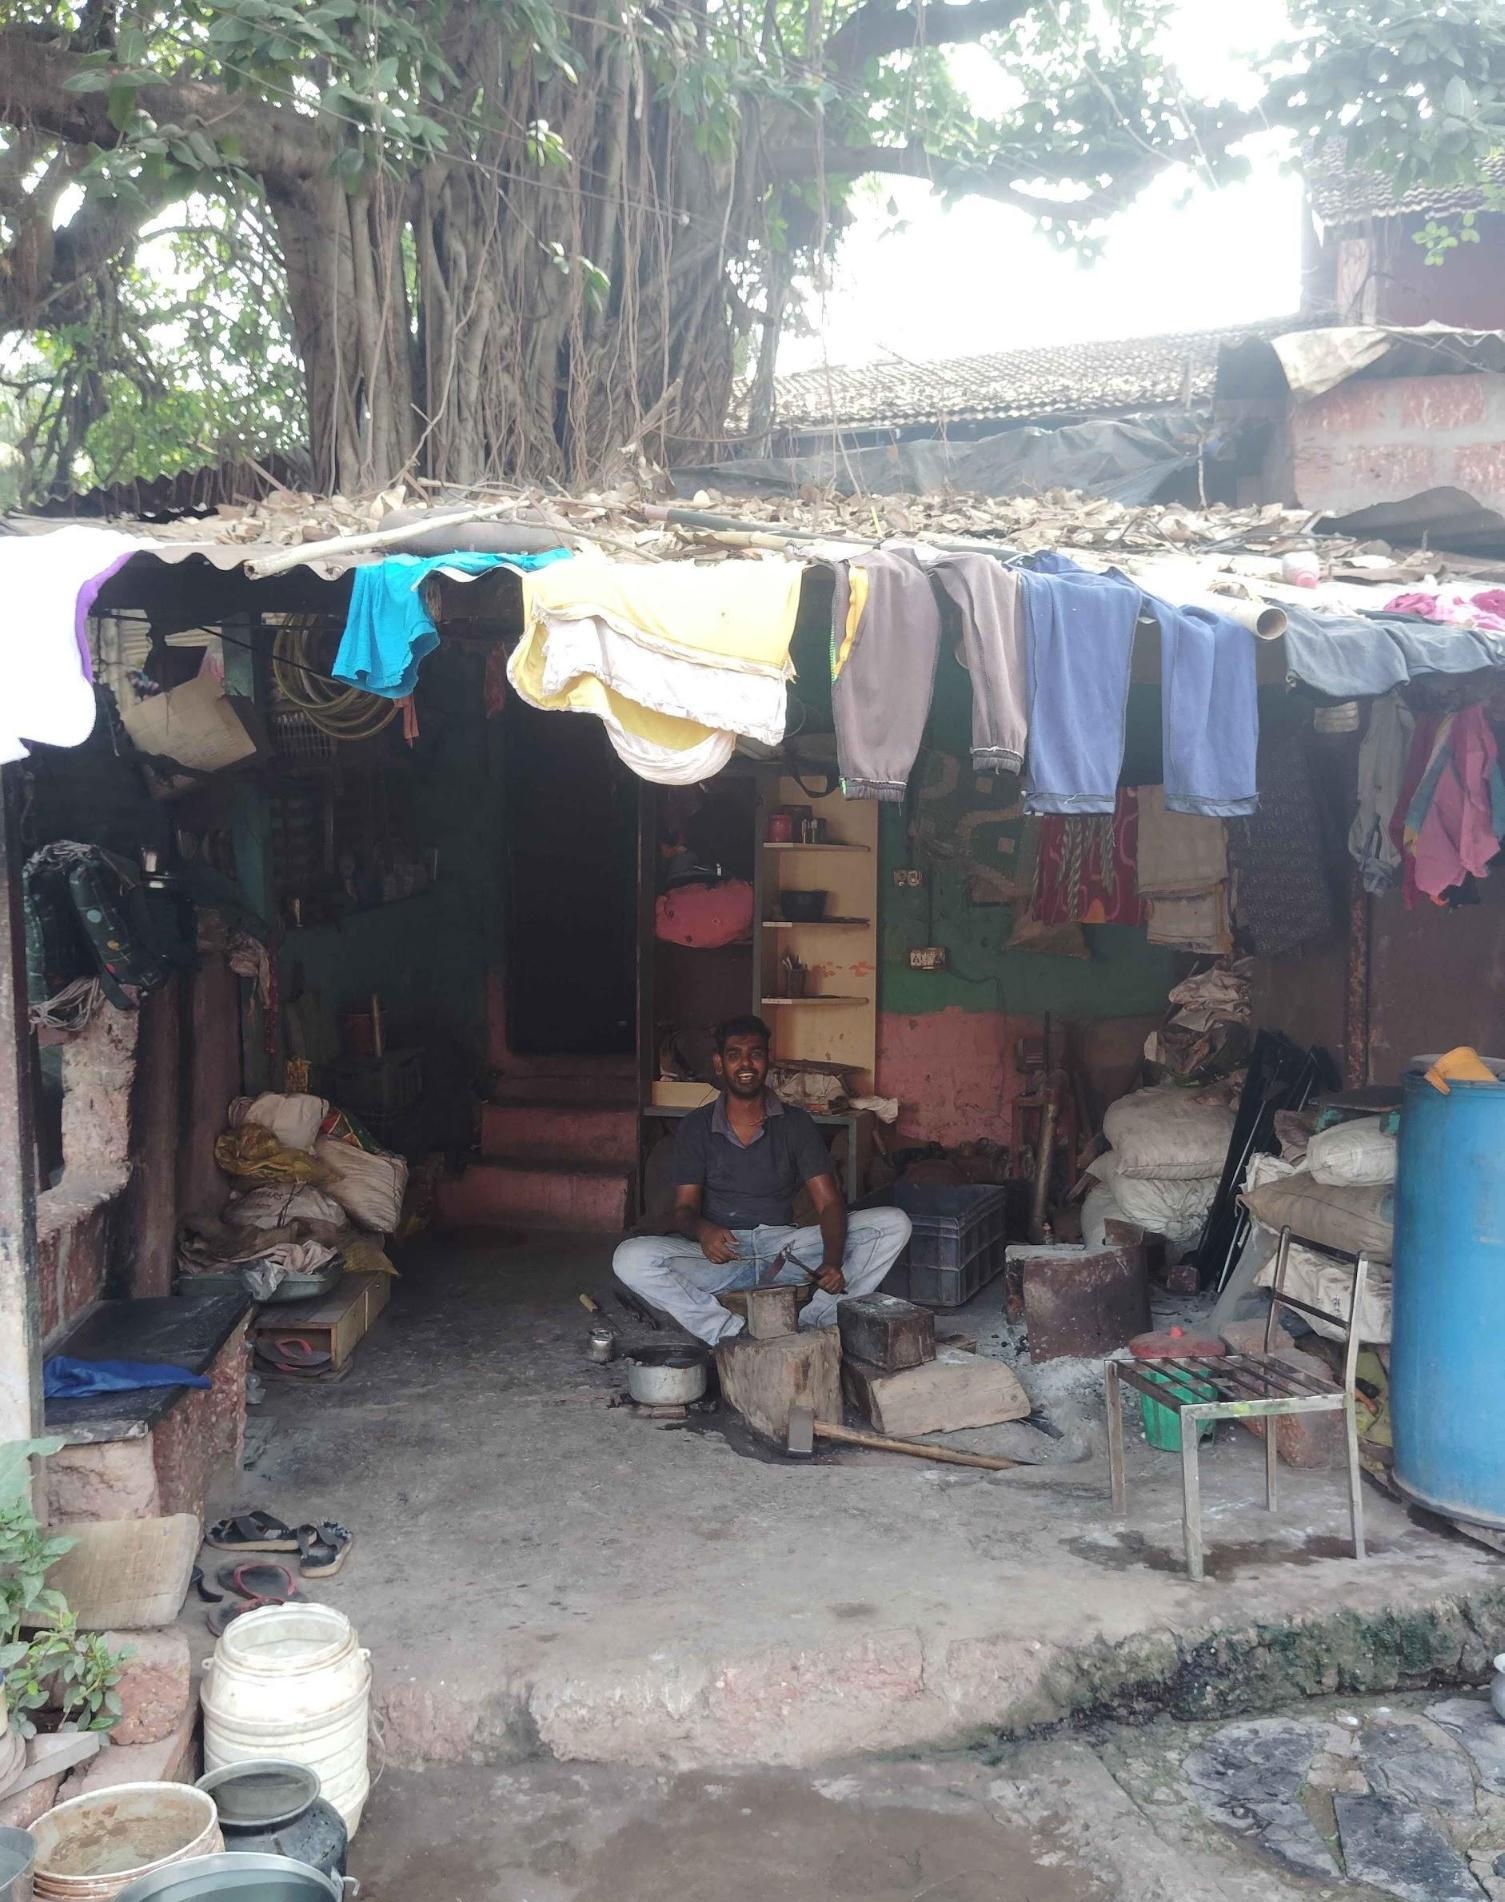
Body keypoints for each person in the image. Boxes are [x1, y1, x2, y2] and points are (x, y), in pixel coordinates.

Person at [614, 1015, 911, 1344]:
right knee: (630, 1258)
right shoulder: (696, 1127)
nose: (746, 1064)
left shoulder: (795, 1124)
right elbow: (684, 1209)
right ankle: (730, 1334)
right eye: (734, 1055)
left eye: (755, 1054)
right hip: (722, 1256)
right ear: (719, 1063)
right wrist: (703, 1231)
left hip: (785, 1251)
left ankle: (815, 1324)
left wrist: (832, 1260)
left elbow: (829, 1203)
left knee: (894, 1224)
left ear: (767, 1060)